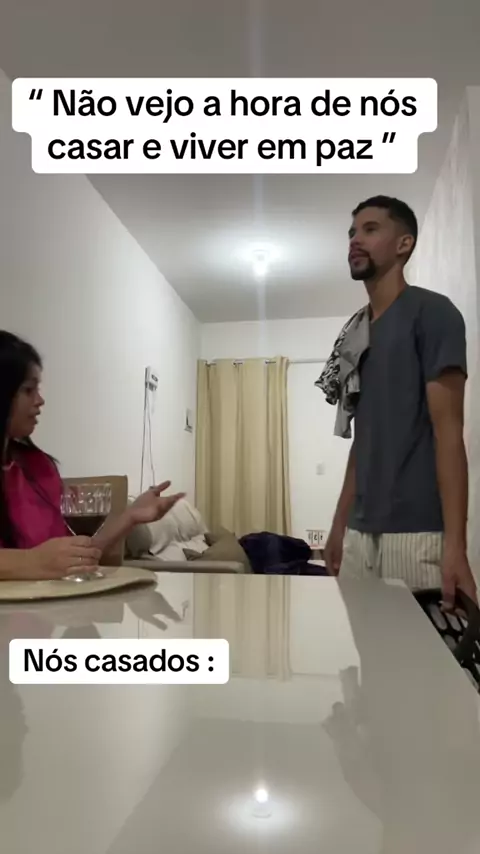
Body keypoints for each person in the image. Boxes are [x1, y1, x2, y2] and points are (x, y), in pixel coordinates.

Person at [321, 195, 477, 607]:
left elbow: (449, 433)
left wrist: (456, 547)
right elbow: (364, 440)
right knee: (366, 649)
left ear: (404, 244)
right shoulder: (356, 333)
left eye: (370, 229)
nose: (355, 240)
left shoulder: (433, 313)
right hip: (359, 536)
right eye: (352, 232)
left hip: (417, 535)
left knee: (428, 650)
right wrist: (339, 525)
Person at [0, 331, 184, 581]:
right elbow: (44, 562)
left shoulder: (38, 467)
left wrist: (131, 516)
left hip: (55, 603)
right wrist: (31, 562)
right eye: (28, 389)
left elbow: (75, 557)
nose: (40, 400)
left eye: (38, 389)